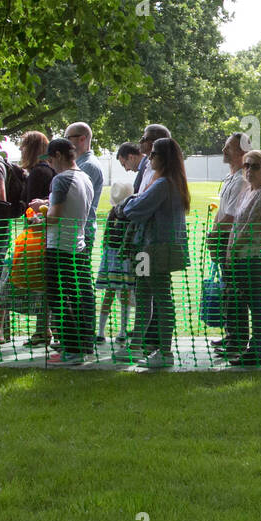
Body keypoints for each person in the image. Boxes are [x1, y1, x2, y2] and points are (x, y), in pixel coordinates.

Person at [116, 136, 190, 368]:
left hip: (156, 248)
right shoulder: (167, 182)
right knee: (144, 294)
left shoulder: (163, 184)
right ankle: (137, 345)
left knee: (160, 297)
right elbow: (136, 204)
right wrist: (132, 202)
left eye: (155, 153)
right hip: (146, 247)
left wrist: (126, 204)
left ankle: (165, 352)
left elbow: (135, 209)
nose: (150, 157)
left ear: (164, 158)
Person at [31, 138, 96, 366]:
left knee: (60, 299)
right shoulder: (85, 178)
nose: (49, 163)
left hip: (58, 247)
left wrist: (37, 220)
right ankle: (84, 345)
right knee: (79, 298)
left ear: (58, 155)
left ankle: (72, 349)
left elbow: (55, 217)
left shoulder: (61, 179)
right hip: (77, 246)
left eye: (50, 158)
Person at [222, 148, 261, 366]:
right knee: (245, 301)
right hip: (241, 255)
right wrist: (230, 251)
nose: (249, 170)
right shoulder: (249, 191)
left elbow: (250, 228)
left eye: (254, 166)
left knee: (256, 303)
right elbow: (237, 225)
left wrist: (233, 251)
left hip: (255, 256)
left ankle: (259, 349)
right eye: (246, 165)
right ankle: (250, 347)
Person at [209, 132, 252, 352]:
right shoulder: (231, 177)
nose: (224, 150)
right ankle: (232, 334)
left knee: (236, 291)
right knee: (228, 290)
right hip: (222, 237)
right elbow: (222, 210)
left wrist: (215, 235)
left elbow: (233, 216)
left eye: (230, 147)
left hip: (232, 240)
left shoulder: (243, 179)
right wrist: (213, 233)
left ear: (243, 151)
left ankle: (238, 340)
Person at [65, 121, 105, 351]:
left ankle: (84, 337)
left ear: (82, 139)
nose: (65, 142)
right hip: (77, 230)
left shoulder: (88, 165)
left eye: (69, 137)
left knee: (80, 285)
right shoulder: (81, 163)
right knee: (76, 284)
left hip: (80, 232)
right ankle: (80, 336)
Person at [18, 130, 55, 347]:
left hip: (37, 234)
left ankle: (43, 330)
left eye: (23, 146)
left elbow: (30, 207)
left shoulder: (38, 173)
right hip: (47, 232)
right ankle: (49, 328)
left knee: (40, 282)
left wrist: (30, 221)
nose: (21, 150)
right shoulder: (49, 170)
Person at [95, 181, 135, 346]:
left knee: (109, 294)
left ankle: (101, 332)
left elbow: (106, 238)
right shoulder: (129, 213)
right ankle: (121, 331)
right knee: (124, 294)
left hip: (112, 257)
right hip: (123, 257)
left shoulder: (113, 213)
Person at [134, 124, 171, 193]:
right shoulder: (146, 165)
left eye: (143, 139)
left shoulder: (164, 174)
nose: (140, 141)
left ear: (156, 142)